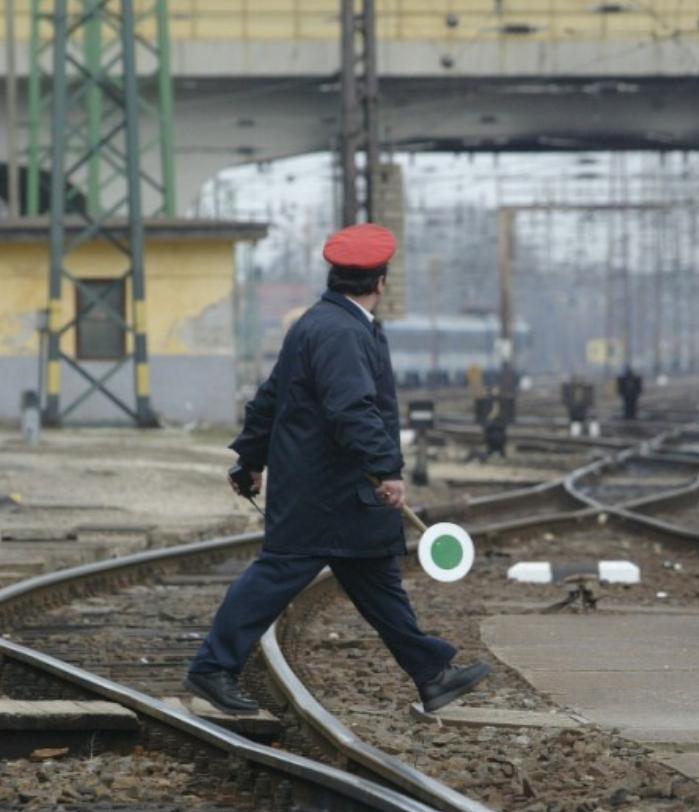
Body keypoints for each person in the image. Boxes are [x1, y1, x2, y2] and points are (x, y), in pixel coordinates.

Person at [184, 224, 490, 715]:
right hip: (327, 491)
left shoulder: (317, 324)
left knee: (377, 580)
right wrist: (386, 468)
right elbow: (352, 408)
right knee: (279, 572)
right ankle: (212, 668)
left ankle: (432, 675)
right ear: (381, 282)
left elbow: (270, 398)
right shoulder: (343, 332)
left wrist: (250, 459)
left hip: (337, 492)